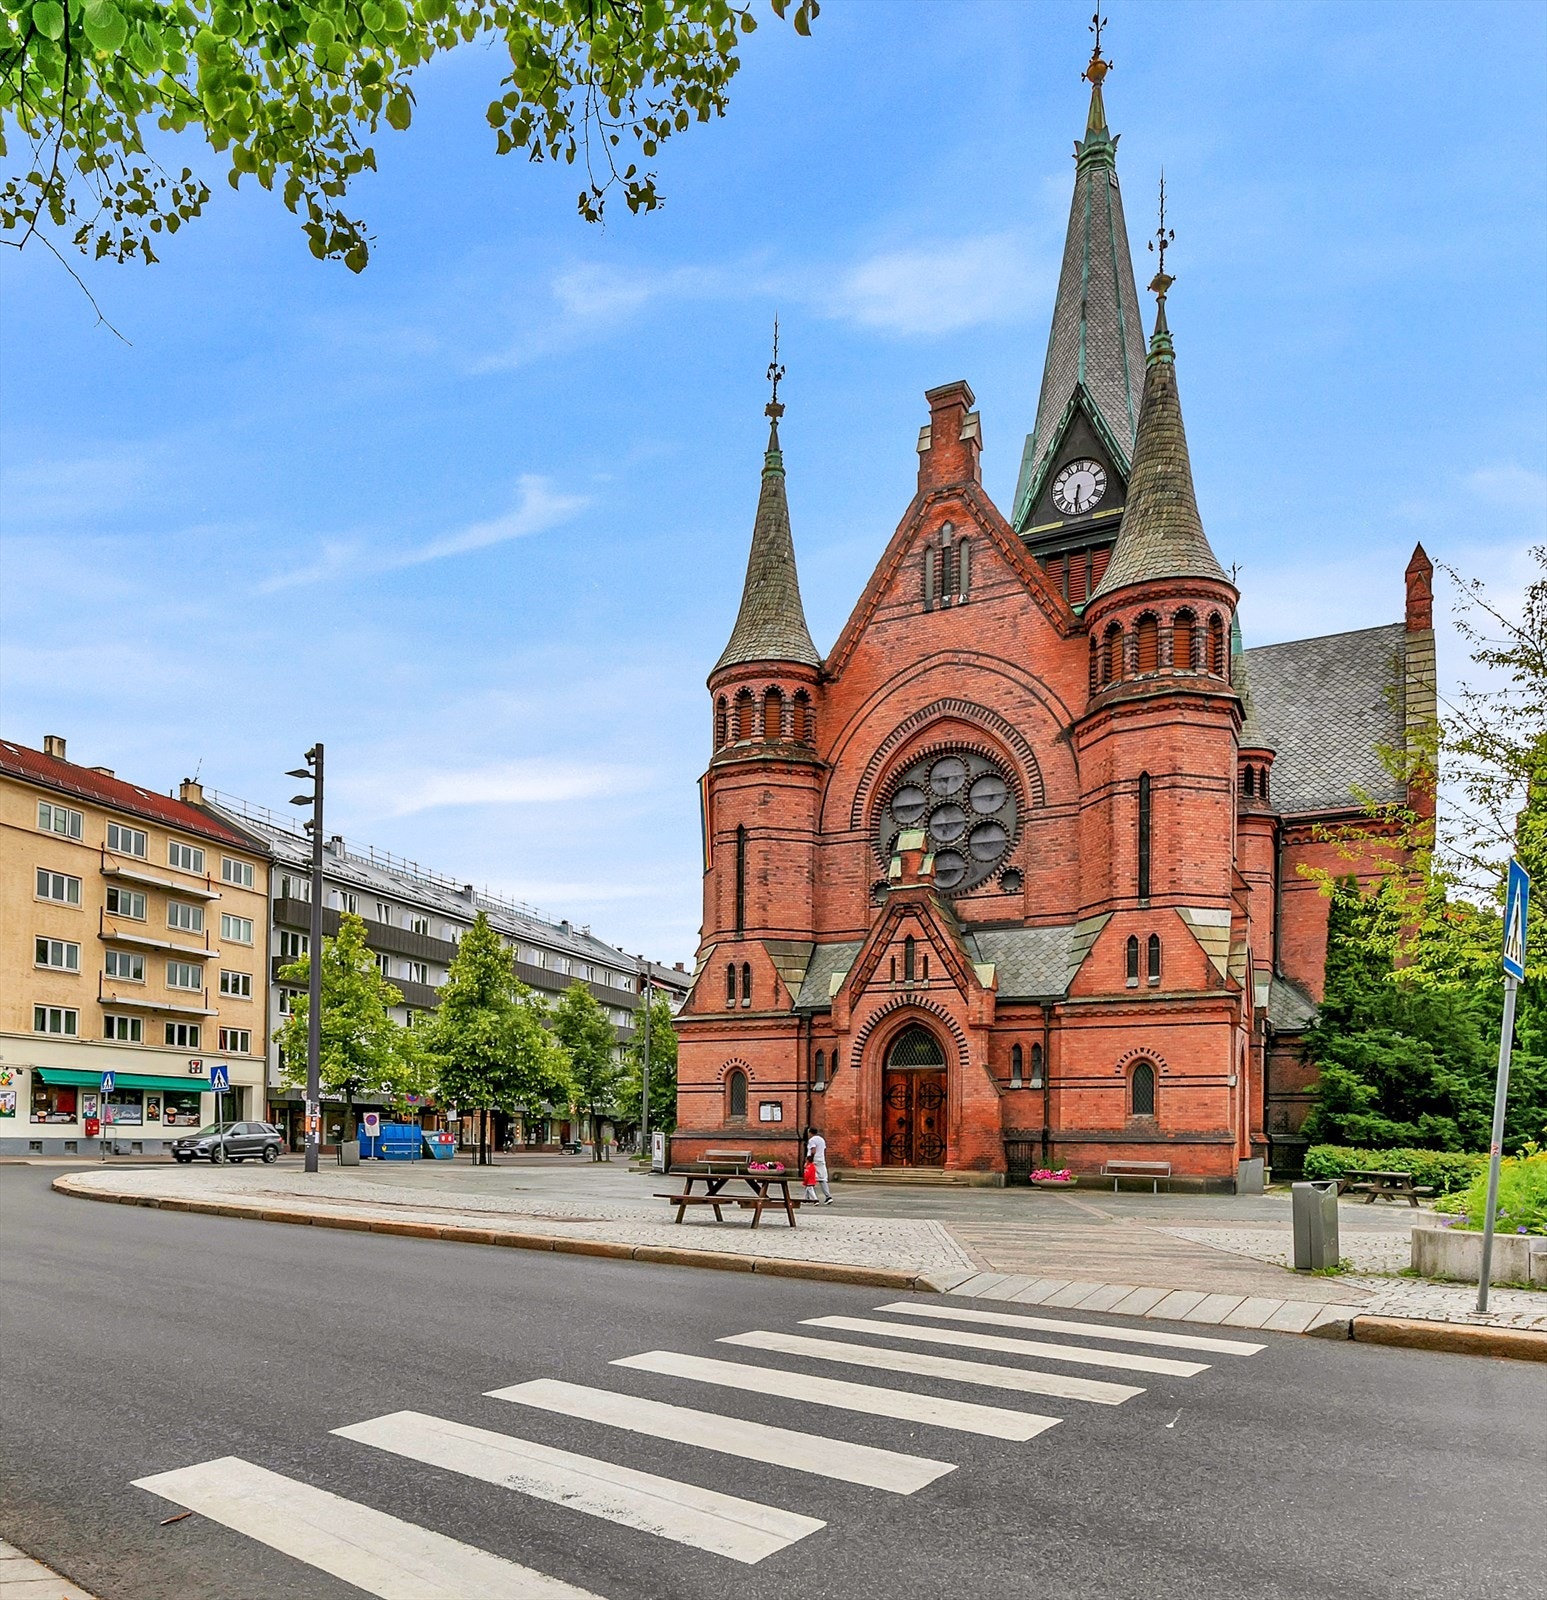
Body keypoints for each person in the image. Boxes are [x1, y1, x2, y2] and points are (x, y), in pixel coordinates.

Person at [805, 1127, 832, 1204]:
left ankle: (812, 1199)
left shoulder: (811, 1140)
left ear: (810, 1132)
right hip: (821, 1160)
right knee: (823, 1179)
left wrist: (809, 1160)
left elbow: (813, 1150)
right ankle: (828, 1196)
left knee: (810, 1179)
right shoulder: (821, 1140)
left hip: (814, 1161)